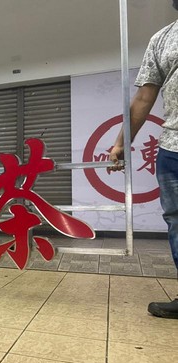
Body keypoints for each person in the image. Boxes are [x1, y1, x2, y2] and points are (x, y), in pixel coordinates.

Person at [109, 1, 178, 319]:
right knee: (177, 221)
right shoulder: (162, 38)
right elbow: (144, 97)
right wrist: (121, 143)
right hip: (173, 147)